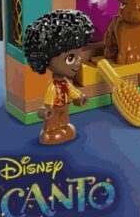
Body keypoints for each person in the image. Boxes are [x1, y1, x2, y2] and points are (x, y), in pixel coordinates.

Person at [23, 9, 94, 145]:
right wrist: (47, 108)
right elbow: (49, 98)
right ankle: (49, 131)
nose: (77, 63)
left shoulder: (66, 82)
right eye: (70, 58)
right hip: (55, 107)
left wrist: (79, 97)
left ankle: (64, 127)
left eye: (79, 55)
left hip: (65, 105)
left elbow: (71, 90)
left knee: (64, 120)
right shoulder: (53, 85)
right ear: (46, 59)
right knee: (53, 121)